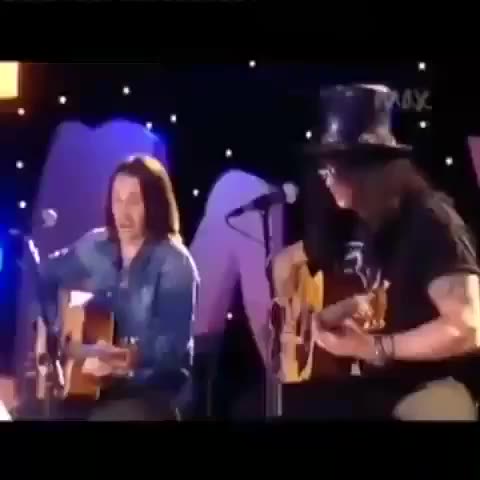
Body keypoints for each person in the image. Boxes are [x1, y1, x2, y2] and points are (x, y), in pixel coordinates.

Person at [281, 84, 480, 420]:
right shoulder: (372, 221)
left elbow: (468, 327)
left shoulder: (432, 222)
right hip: (380, 384)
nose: (325, 178)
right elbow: (395, 295)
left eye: (332, 167)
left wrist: (377, 347)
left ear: (368, 169)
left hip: (434, 384)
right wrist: (343, 311)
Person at [36, 154, 199, 421]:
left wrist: (131, 358)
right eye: (117, 200)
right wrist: (58, 334)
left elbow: (173, 348)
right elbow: (45, 275)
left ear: (154, 205)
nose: (123, 212)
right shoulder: (96, 246)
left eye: (133, 201)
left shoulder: (175, 263)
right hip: (86, 389)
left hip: (147, 396)